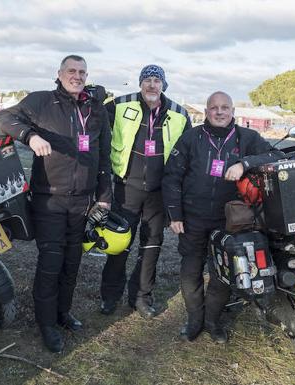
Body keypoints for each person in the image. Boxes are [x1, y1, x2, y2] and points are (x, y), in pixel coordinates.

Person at [0, 55, 112, 353]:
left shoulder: (96, 109)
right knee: (51, 264)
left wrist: (105, 197)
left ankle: (62, 313)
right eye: (71, 70)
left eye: (82, 72)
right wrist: (29, 136)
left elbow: (104, 158)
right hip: (50, 201)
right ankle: (46, 324)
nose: (77, 75)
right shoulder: (41, 102)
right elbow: (0, 119)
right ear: (59, 74)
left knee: (72, 263)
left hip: (83, 201)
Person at [162, 91, 282, 343]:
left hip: (231, 221)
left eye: (224, 107)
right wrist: (175, 214)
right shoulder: (191, 138)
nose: (219, 112)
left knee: (223, 274)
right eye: (214, 108)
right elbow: (172, 177)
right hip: (192, 217)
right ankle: (194, 320)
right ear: (206, 112)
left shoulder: (247, 138)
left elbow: (275, 156)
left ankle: (212, 322)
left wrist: (245, 163)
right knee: (191, 270)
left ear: (232, 112)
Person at [99, 64, 192, 318]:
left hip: (158, 193)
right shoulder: (118, 105)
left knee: (151, 247)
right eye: (147, 80)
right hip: (125, 187)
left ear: (164, 84)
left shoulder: (179, 114)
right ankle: (109, 296)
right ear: (140, 83)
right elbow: (94, 128)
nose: (152, 85)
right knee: (119, 244)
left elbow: (187, 155)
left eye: (157, 80)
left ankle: (140, 297)